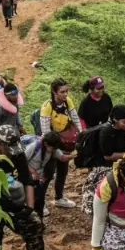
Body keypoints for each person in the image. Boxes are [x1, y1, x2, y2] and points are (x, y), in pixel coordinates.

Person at [38, 79, 84, 210]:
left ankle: (59, 197)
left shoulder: (67, 102)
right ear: (54, 92)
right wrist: (52, 150)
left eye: (66, 91)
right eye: (62, 92)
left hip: (64, 140)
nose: (65, 94)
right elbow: (45, 131)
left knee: (63, 171)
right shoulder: (47, 107)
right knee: (48, 173)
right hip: (51, 143)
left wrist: (81, 133)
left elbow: (75, 117)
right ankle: (40, 203)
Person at [27, 131, 76, 219]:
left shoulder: (53, 149)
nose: (54, 150)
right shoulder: (33, 147)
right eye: (53, 148)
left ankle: (39, 208)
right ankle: (31, 210)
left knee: (40, 191)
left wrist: (72, 156)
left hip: (40, 174)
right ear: (46, 143)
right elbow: (22, 162)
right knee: (33, 192)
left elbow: (62, 158)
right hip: (30, 173)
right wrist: (33, 172)